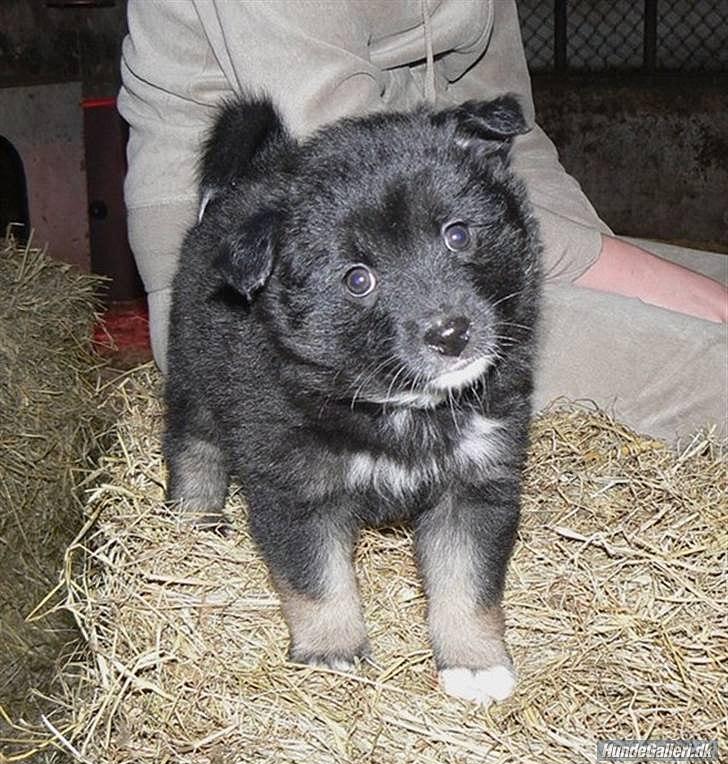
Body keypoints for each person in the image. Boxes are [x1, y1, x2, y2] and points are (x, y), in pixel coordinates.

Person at [118, 0, 727, 444]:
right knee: (709, 369)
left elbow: (510, 147)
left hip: (440, 242)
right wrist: (630, 278)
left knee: (704, 282)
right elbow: (340, 157)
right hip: (277, 280)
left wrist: (616, 264)